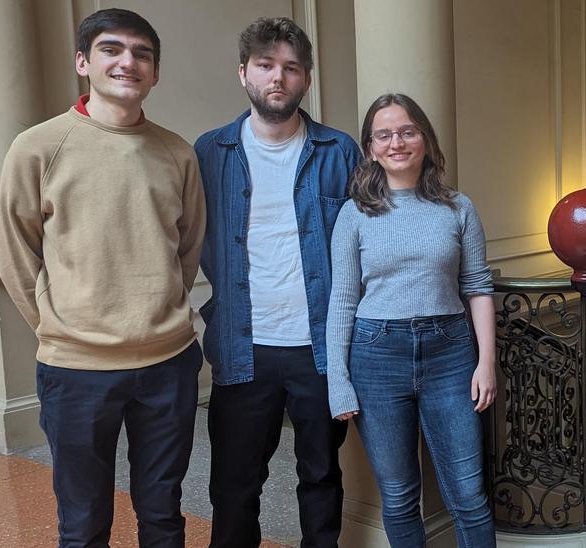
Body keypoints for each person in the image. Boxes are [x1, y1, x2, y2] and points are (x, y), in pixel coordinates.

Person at [0, 8, 205, 547]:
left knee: (163, 515)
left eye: (142, 54)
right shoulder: (38, 147)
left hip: (168, 364)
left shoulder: (178, 152)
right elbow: (16, 253)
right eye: (112, 50)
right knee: (84, 523)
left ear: (155, 73)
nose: (127, 62)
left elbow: (187, 248)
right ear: (84, 61)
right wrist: (55, 325)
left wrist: (159, 308)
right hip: (77, 368)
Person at [193, 17, 359, 548]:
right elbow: (183, 236)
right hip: (243, 347)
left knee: (320, 476)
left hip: (321, 349)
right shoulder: (209, 154)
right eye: (266, 65)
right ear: (244, 73)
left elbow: (368, 240)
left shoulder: (339, 151)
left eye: (290, 67)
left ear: (305, 79)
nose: (278, 78)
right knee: (234, 486)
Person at [326, 93, 498, 547]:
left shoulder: (459, 208)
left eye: (407, 131)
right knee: (400, 497)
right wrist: (337, 381)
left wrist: (486, 363)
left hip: (452, 354)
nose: (396, 142)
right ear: (370, 147)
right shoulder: (354, 214)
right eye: (383, 135)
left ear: (424, 139)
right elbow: (342, 300)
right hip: (376, 357)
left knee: (468, 495)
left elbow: (477, 287)